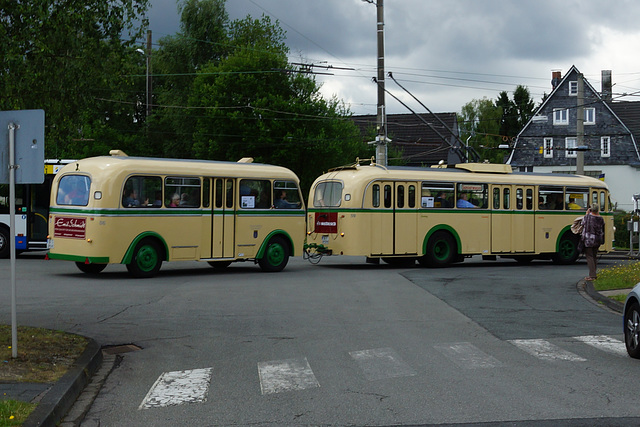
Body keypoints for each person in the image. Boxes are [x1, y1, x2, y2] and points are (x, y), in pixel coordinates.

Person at [580, 203, 605, 281]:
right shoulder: (601, 218)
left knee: (589, 257)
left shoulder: (588, 217)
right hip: (597, 239)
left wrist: (586, 214)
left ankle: (592, 276)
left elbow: (582, 224)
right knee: (594, 256)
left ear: (590, 209)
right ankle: (594, 274)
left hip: (589, 240)